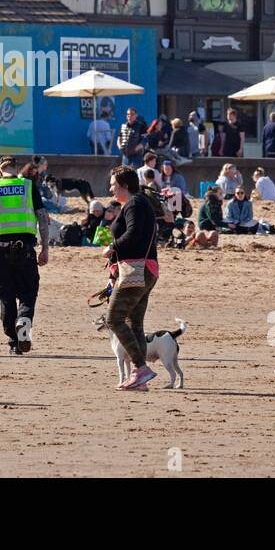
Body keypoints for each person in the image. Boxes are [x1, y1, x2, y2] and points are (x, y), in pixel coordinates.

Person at [0, 156, 50, 355]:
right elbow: (42, 219)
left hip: (1, 251)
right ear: (16, 168)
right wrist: (45, 248)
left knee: (6, 296)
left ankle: (13, 341)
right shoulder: (28, 186)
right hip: (26, 250)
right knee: (28, 292)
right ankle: (24, 320)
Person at [102, 165, 160, 391]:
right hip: (146, 269)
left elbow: (134, 234)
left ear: (125, 185)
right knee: (134, 322)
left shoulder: (135, 204)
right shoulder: (137, 203)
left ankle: (140, 368)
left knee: (114, 318)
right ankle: (140, 379)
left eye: (113, 184)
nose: (111, 188)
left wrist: (111, 247)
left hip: (137, 269)